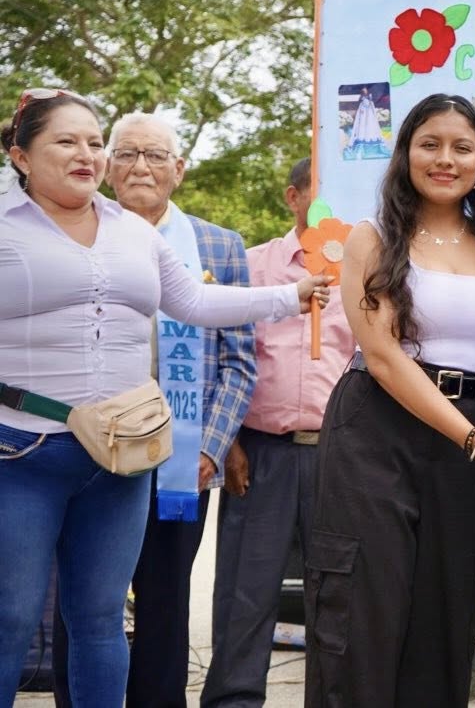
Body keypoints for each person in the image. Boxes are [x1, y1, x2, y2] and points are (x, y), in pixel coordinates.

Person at [0, 88, 327, 707]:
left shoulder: (134, 232)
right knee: (10, 618)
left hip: (121, 457)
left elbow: (198, 304)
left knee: (100, 622)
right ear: (20, 155)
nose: (87, 154)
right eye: (66, 141)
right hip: (22, 452)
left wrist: (292, 294)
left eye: (95, 142)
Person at [304, 93, 475, 707]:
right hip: (375, 432)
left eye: (462, 147)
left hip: (466, 436)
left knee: (447, 610)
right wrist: (469, 436)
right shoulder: (373, 238)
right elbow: (381, 358)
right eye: (429, 144)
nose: (445, 159)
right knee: (362, 613)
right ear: (405, 151)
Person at [51, 110, 262, 708]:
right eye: (126, 154)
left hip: (179, 461)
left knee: (165, 606)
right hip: (84, 454)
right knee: (84, 602)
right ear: (107, 168)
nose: (140, 166)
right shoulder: (69, 234)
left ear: (179, 170)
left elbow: (239, 361)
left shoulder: (219, 246)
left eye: (154, 155)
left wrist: (209, 447)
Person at [201, 157, 356, 707]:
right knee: (247, 590)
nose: (327, 206)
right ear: (292, 197)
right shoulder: (252, 265)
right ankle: (233, 700)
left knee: (337, 593)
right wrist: (231, 443)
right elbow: (225, 358)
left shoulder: (367, 268)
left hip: (340, 456)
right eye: (316, 193)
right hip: (260, 453)